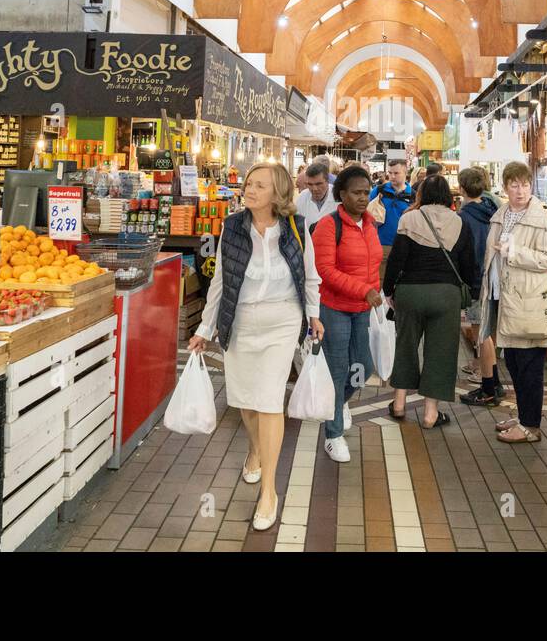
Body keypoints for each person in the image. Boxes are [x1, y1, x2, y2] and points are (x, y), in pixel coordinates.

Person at [189, 162, 323, 531]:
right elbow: (219, 281)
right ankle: (254, 450)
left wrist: (314, 315)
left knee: (268, 402)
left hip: (281, 322)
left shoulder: (296, 228)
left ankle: (269, 492)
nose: (249, 190)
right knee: (245, 402)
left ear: (277, 192)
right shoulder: (232, 227)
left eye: (259, 185)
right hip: (241, 322)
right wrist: (205, 326)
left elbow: (310, 276)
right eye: (248, 183)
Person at [383, 175, 477, 429]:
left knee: (405, 345)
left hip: (410, 293)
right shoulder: (459, 222)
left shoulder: (408, 218)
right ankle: (430, 414)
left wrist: (388, 290)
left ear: (420, 194)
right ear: (448, 195)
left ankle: (399, 404)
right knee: (441, 352)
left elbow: (396, 261)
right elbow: (469, 266)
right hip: (446, 295)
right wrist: (470, 292)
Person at [482, 162, 547, 444]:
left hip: (530, 301)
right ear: (505, 187)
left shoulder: (541, 218)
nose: (520, 191)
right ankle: (522, 415)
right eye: (514, 185)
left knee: (529, 366)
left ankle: (531, 426)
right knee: (514, 363)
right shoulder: (501, 214)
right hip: (505, 299)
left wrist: (516, 252)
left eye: (525, 185)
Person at [311, 165, 382, 462]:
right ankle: (333, 435)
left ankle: (339, 403)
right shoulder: (329, 225)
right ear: (342, 194)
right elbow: (324, 270)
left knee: (363, 367)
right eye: (356, 193)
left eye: (366, 192)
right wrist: (362, 290)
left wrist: (375, 293)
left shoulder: (370, 224)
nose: (363, 198)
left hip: (363, 310)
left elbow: (373, 265)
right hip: (334, 309)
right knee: (338, 370)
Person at [456, 166, 505, 406]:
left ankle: (488, 388)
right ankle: (495, 382)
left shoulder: (465, 217)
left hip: (478, 281)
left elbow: (468, 254)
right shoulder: (495, 210)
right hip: (496, 279)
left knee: (481, 335)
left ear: (462, 188)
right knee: (488, 334)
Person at [369, 158, 414, 277]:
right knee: (379, 281)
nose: (392, 176)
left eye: (396, 173)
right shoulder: (378, 191)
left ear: (405, 173)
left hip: (405, 247)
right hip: (381, 245)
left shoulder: (413, 196)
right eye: (390, 173)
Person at [295, 162, 337, 229]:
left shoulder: (338, 197)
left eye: (318, 184)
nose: (314, 189)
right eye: (310, 184)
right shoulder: (302, 197)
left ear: (327, 181)